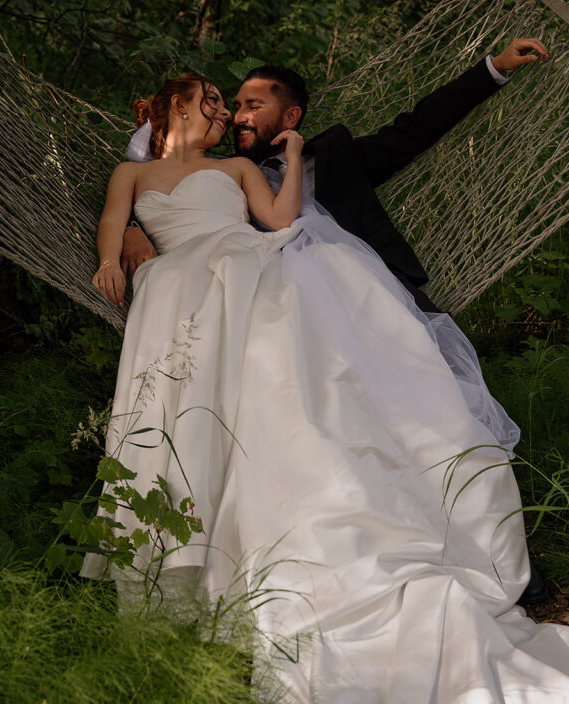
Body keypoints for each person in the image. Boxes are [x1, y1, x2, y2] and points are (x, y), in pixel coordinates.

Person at [83, 72, 569, 702]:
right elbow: (114, 219)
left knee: (321, 361)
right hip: (180, 280)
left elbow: (281, 220)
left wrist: (288, 154)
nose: (227, 115)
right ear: (177, 104)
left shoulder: (240, 166)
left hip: (253, 262)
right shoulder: (133, 174)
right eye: (215, 104)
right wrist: (111, 252)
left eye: (239, 107)